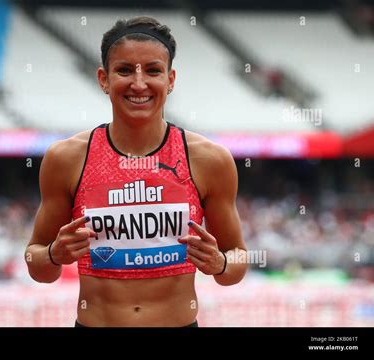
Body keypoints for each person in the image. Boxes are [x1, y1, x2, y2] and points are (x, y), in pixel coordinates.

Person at [25, 16, 248, 327]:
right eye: (125, 70)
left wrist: (221, 263)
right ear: (104, 78)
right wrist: (52, 254)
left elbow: (238, 258)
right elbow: (36, 264)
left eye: (153, 70)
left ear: (171, 79)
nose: (139, 83)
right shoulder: (66, 158)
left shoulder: (209, 159)